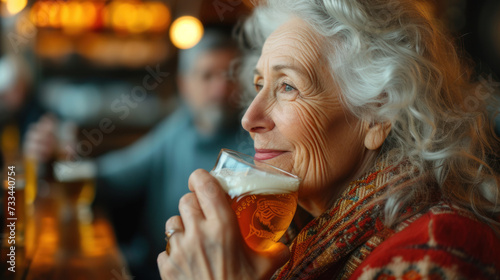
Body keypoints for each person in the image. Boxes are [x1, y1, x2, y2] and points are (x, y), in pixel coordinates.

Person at [157, 0, 500, 279]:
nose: (249, 119)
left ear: (378, 116)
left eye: (288, 86)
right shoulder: (292, 237)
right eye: (260, 85)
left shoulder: (437, 248)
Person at [24, 28, 252, 279]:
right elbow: (113, 177)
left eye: (230, 76)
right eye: (207, 76)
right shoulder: (179, 128)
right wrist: (62, 160)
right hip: (149, 265)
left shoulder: (253, 143)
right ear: (184, 84)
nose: (220, 89)